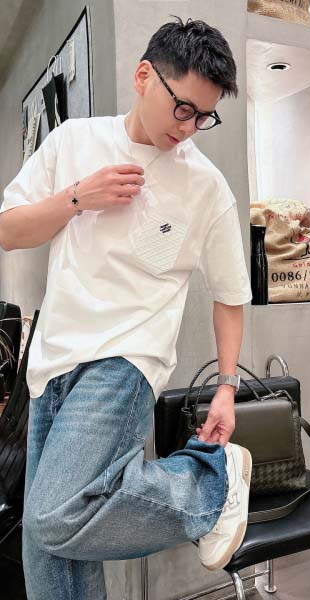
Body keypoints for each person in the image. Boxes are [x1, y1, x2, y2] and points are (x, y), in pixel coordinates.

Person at [0, 15, 253, 599]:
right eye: (182, 108)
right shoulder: (73, 142)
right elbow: (10, 231)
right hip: (50, 364)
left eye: (203, 116)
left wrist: (226, 388)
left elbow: (230, 296)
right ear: (144, 77)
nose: (188, 128)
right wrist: (77, 198)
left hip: (125, 361)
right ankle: (209, 483)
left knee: (54, 514)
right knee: (49, 552)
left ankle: (210, 480)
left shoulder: (206, 186)